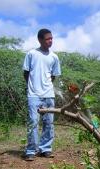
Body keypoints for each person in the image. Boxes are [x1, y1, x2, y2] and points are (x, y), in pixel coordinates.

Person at [22, 28, 61, 161]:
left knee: (49, 123)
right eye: (47, 39)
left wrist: (46, 86)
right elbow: (26, 73)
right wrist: (32, 87)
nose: (50, 41)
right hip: (33, 95)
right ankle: (31, 150)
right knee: (33, 122)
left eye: (51, 38)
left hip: (49, 94)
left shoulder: (54, 57)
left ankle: (45, 149)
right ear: (40, 40)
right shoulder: (31, 54)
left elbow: (53, 76)